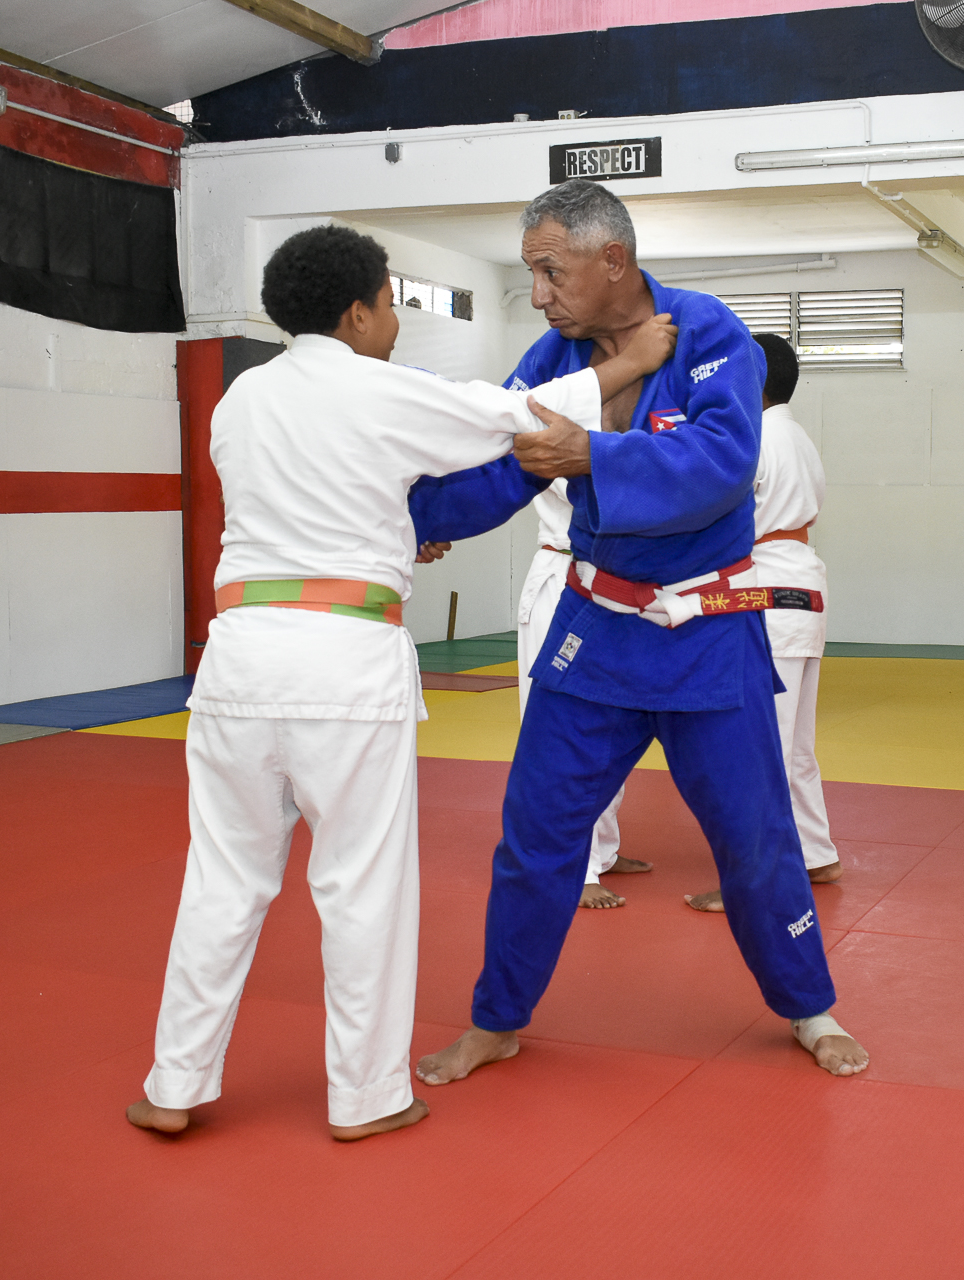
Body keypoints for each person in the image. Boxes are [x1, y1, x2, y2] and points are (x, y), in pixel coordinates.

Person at [126, 224, 676, 1142]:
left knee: (221, 882)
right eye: (389, 303)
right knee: (361, 887)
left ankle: (173, 1086)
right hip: (344, 663)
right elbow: (516, 417)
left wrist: (391, 533)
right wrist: (635, 360)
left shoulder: (239, 399)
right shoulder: (378, 387)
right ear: (355, 313)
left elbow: (324, 492)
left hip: (238, 662)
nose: (394, 321)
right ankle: (366, 1096)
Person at [408, 179, 868, 1083]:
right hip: (594, 630)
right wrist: (418, 519)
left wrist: (591, 454)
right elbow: (502, 460)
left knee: (755, 836)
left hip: (707, 633)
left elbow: (721, 464)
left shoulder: (709, 333)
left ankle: (808, 1006)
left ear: (611, 259)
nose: (538, 293)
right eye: (533, 274)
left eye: (551, 271)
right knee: (536, 835)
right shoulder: (554, 357)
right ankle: (498, 1019)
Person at [685, 332, 842, 913]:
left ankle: (753, 880)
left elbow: (719, 516)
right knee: (794, 742)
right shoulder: (798, 437)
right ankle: (815, 853)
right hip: (802, 588)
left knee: (755, 744)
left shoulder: (754, 437)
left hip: (767, 592)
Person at [515, 478, 648, 909]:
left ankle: (602, 850)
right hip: (564, 577)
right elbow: (609, 495)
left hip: (612, 582)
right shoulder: (563, 441)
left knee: (612, 724)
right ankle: (576, 867)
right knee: (566, 732)